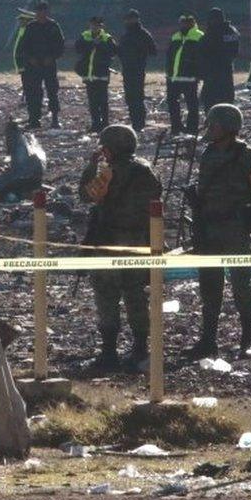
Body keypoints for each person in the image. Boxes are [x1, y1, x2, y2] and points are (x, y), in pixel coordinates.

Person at [185, 104, 251, 360]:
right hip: (209, 227)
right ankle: (208, 340)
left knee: (241, 286)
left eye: (214, 125)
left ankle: (247, 340)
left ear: (227, 128)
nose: (210, 129)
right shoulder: (208, 154)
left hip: (235, 228)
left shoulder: (248, 157)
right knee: (209, 285)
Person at [79, 125, 162, 371]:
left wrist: (91, 166)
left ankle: (108, 352)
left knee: (107, 296)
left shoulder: (108, 174)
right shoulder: (146, 171)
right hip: (138, 242)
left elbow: (87, 195)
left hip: (109, 241)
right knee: (135, 296)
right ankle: (139, 348)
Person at [18, 0, 64, 129]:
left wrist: (52, 57)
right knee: (33, 92)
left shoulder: (53, 26)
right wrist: (30, 58)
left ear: (47, 12)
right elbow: (24, 46)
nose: (41, 14)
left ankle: (55, 118)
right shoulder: (31, 26)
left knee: (52, 91)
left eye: (44, 11)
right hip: (33, 65)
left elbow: (60, 45)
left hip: (48, 64)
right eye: (39, 11)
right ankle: (34, 119)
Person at [75, 16, 116, 133]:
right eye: (93, 25)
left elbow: (112, 52)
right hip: (89, 75)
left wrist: (99, 45)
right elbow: (78, 48)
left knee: (103, 100)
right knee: (92, 101)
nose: (94, 27)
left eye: (97, 25)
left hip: (102, 75)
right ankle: (95, 123)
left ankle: (105, 123)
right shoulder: (85, 36)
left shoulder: (107, 38)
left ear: (101, 26)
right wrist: (92, 44)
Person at [117, 9, 156, 132]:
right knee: (130, 97)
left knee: (138, 97)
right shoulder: (125, 35)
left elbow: (153, 50)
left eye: (131, 19)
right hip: (127, 70)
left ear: (137, 19)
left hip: (138, 70)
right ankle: (135, 122)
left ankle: (140, 123)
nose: (129, 21)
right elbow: (119, 51)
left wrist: (139, 51)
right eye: (128, 19)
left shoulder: (143, 34)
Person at [165, 14, 203, 135]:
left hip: (190, 78)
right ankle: (176, 127)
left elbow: (203, 57)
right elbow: (169, 55)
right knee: (172, 103)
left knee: (192, 105)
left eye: (186, 22)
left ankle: (192, 129)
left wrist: (198, 73)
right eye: (182, 22)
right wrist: (168, 72)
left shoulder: (199, 36)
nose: (183, 25)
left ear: (192, 23)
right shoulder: (176, 36)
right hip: (174, 77)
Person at [199, 7, 239, 111]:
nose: (214, 21)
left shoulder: (229, 31)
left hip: (223, 71)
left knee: (225, 99)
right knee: (209, 100)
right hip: (210, 72)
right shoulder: (208, 33)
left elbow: (233, 50)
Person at [12, 9, 34, 105]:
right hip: (21, 61)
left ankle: (29, 99)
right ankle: (26, 98)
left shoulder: (29, 31)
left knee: (29, 81)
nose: (20, 22)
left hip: (27, 62)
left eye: (22, 20)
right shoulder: (22, 30)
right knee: (25, 81)